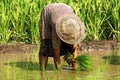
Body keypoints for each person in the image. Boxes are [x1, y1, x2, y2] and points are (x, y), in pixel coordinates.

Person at [39, 3, 86, 70]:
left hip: (66, 9)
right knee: (45, 46)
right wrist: (59, 73)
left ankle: (74, 67)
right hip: (48, 13)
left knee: (72, 47)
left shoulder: (76, 27)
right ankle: (42, 71)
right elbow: (56, 53)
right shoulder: (57, 29)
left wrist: (75, 69)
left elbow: (75, 48)